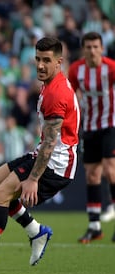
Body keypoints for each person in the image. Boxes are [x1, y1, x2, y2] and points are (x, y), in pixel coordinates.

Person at [0, 37, 80, 272]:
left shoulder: (56, 94)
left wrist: (32, 179)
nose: (40, 65)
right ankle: (36, 231)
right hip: (44, 152)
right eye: (37, 59)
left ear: (59, 62)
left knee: (1, 194)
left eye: (46, 60)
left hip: (57, 163)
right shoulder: (50, 83)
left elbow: (51, 143)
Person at [68, 32, 115, 243]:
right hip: (89, 127)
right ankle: (94, 227)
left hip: (111, 125)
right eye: (88, 47)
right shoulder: (76, 70)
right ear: (83, 49)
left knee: (110, 169)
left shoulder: (111, 68)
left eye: (96, 46)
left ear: (102, 48)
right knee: (91, 175)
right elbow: (70, 97)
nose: (92, 50)